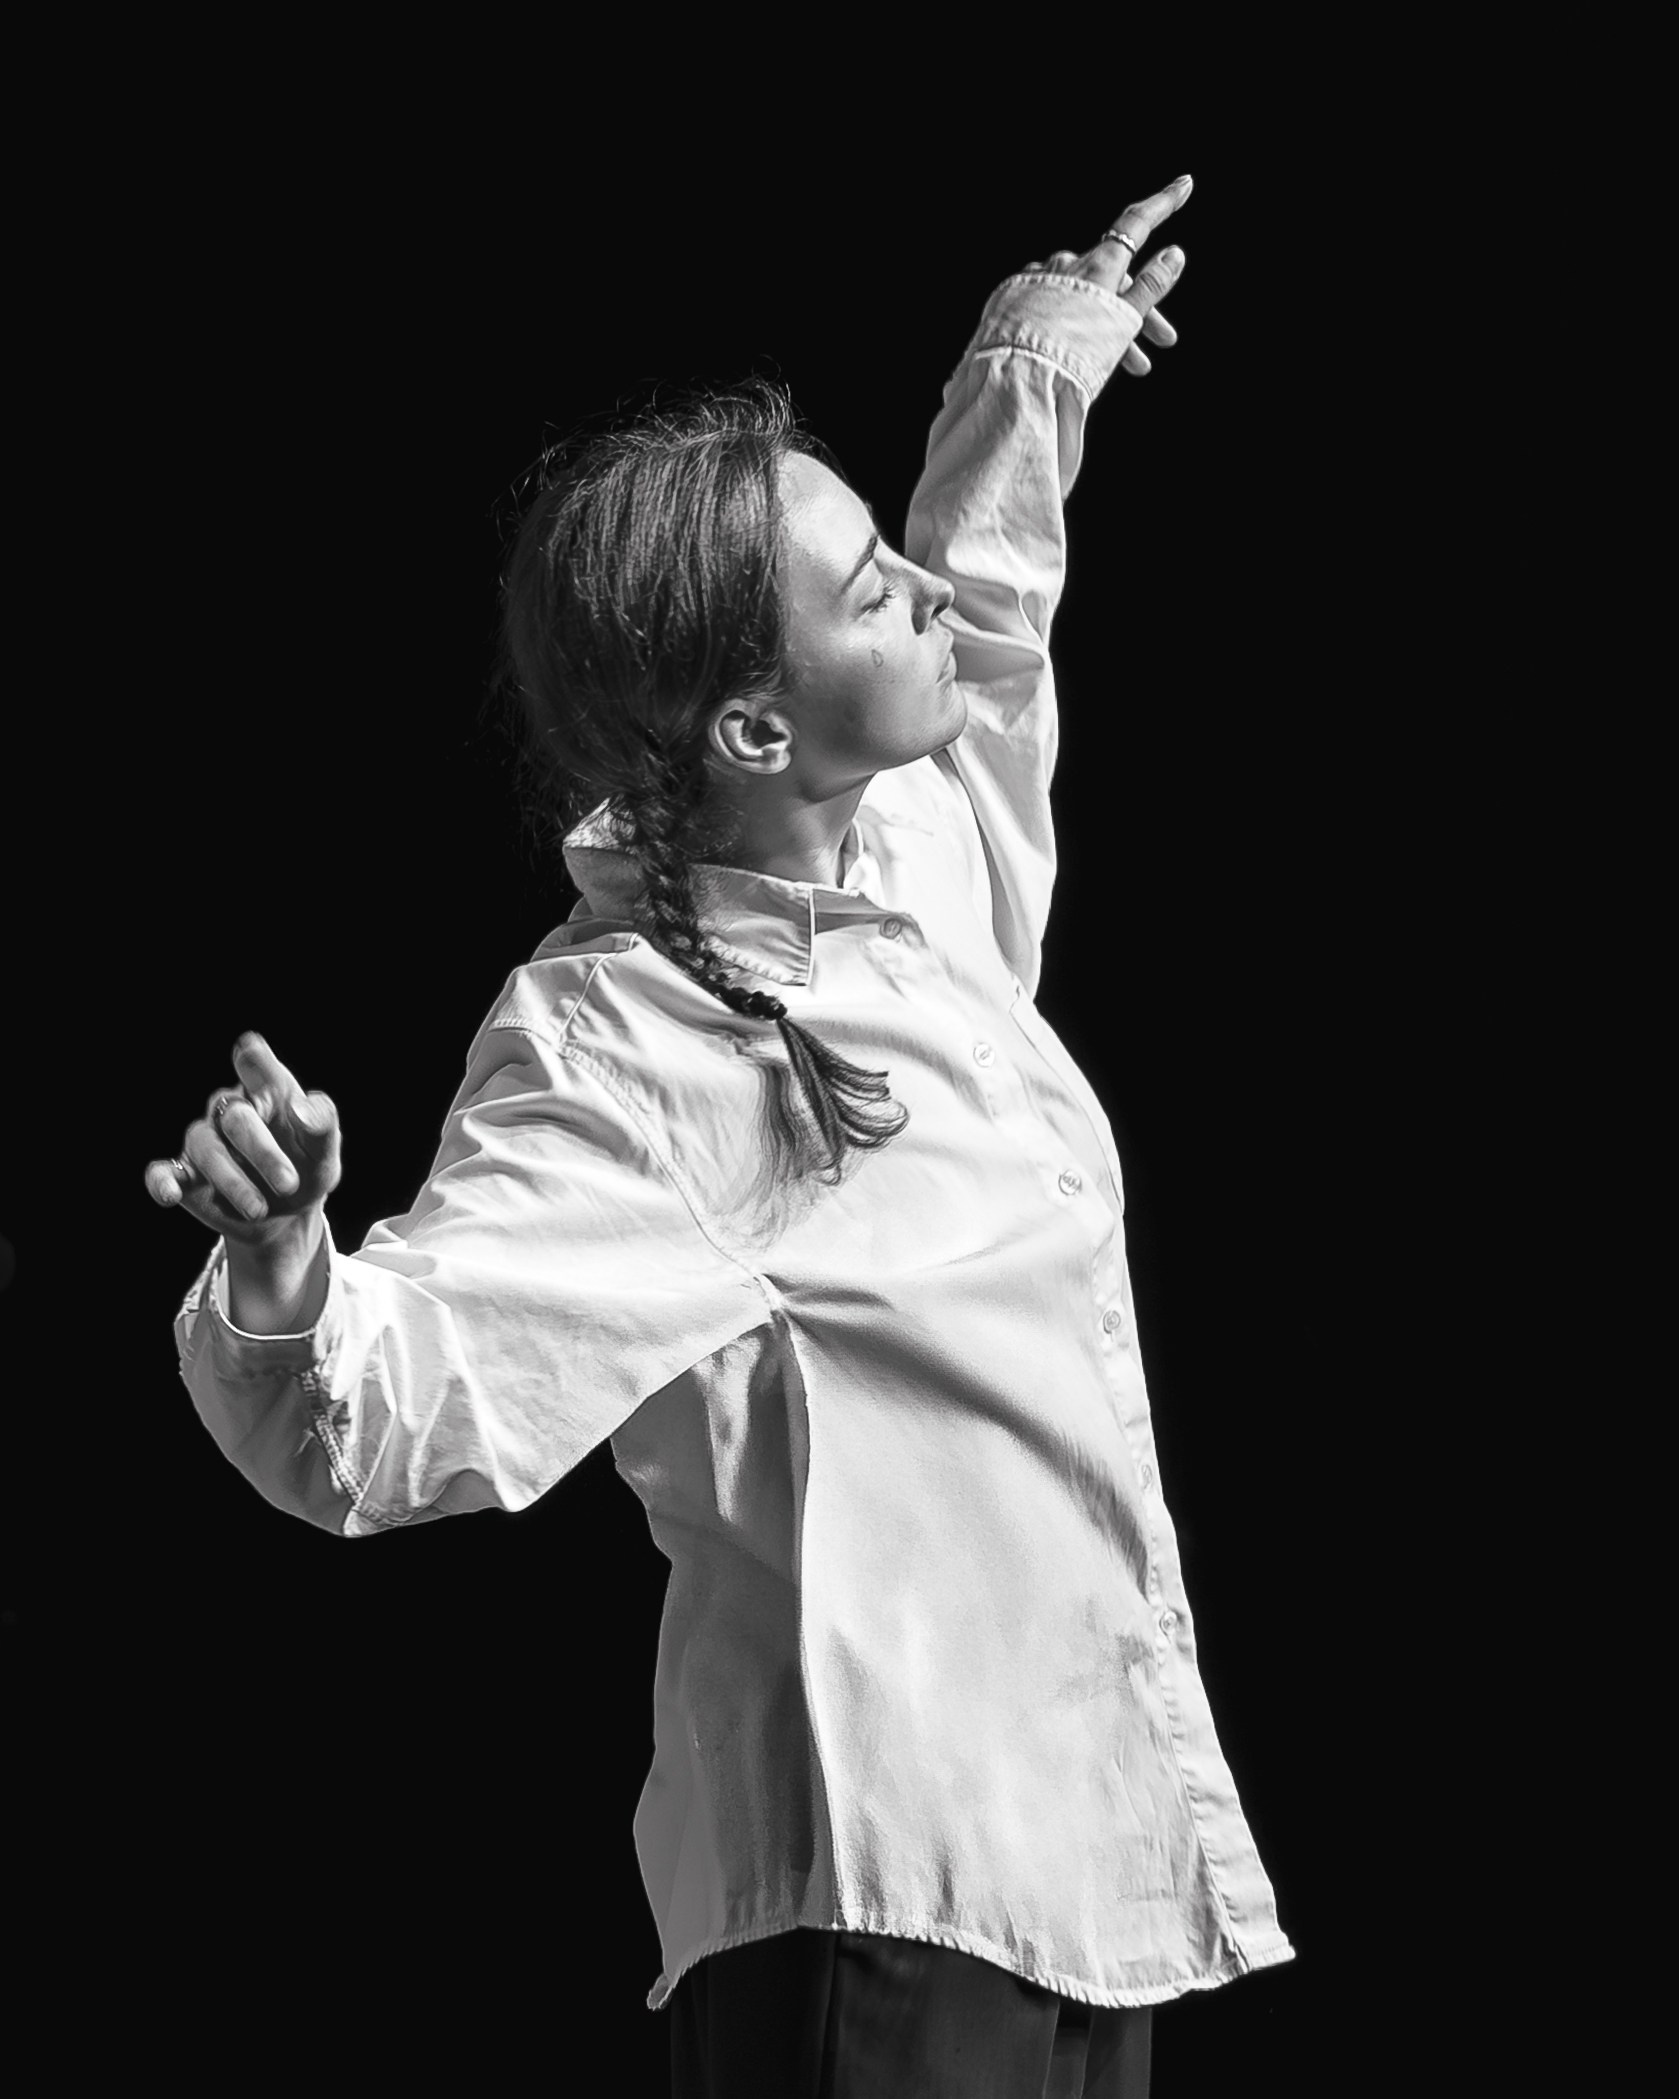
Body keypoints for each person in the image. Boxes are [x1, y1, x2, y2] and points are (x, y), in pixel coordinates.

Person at [146, 174, 1293, 2099]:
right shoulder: (621, 1046)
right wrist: (285, 1272)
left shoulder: (903, 859)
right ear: (757, 729)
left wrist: (1034, 368)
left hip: (1081, 1873)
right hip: (877, 1913)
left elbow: (986, 625)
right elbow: (401, 1398)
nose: (916, 595)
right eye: (864, 587)